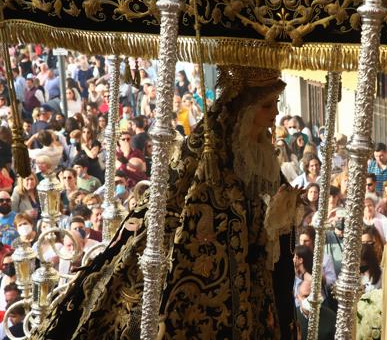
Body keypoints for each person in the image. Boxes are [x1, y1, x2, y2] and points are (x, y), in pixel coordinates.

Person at [33, 66, 304, 340]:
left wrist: (285, 209)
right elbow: (216, 214)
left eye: (276, 104)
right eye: (267, 105)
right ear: (245, 110)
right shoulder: (214, 158)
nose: (275, 114)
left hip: (256, 275)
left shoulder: (263, 151)